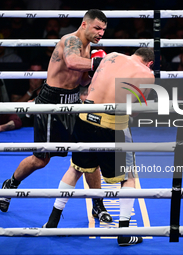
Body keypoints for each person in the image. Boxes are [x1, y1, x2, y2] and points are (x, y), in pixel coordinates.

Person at [0, 9, 113, 223]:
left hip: (73, 103)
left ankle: (98, 205)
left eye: (104, 30)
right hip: (51, 104)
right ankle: (10, 184)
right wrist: (99, 64)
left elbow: (81, 81)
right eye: (97, 28)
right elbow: (71, 62)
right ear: (85, 24)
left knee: (89, 156)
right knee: (40, 160)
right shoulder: (70, 40)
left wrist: (93, 73)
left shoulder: (89, 48)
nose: (101, 33)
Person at [43, 47, 155, 246]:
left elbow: (90, 81)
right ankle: (124, 233)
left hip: (85, 117)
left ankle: (52, 221)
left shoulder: (111, 56)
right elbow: (134, 111)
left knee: (75, 168)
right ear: (150, 63)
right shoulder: (146, 73)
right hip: (110, 126)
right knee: (129, 175)